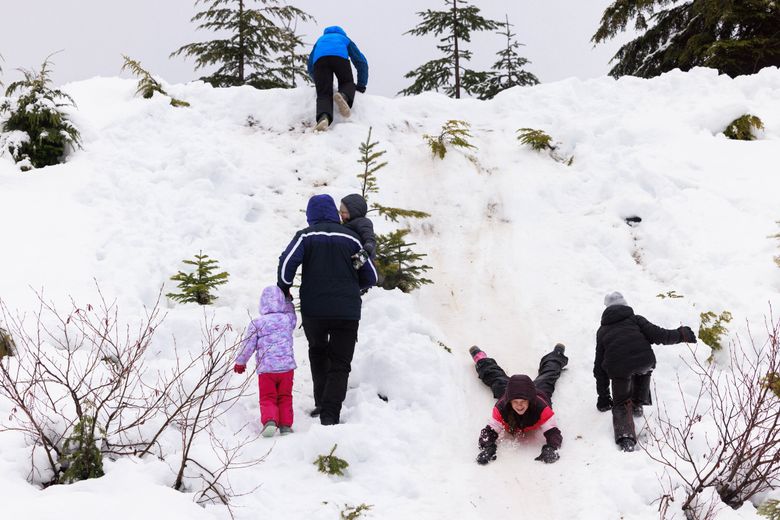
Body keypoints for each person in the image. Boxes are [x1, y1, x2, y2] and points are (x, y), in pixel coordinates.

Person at [277, 194, 377, 425]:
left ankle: (321, 402)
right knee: (341, 362)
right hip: (347, 311)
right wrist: (353, 287)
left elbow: (286, 263)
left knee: (318, 352)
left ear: (310, 216)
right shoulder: (352, 238)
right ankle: (330, 415)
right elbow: (370, 275)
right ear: (334, 212)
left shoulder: (306, 236)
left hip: (315, 310)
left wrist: (285, 289)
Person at [594, 291, 697, 452]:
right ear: (625, 305)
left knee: (620, 403)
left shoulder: (602, 331)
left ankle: (626, 438)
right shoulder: (636, 320)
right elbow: (660, 335)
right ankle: (637, 404)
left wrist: (603, 397)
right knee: (642, 370)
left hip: (619, 369)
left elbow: (599, 368)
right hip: (644, 361)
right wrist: (681, 334)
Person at [469, 343, 569, 465]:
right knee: (496, 377)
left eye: (523, 402)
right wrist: (487, 447)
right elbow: (490, 431)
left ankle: (556, 354)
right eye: (515, 402)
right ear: (509, 401)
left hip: (539, 392)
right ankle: (480, 358)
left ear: (530, 401)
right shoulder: (502, 408)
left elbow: (553, 432)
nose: (519, 406)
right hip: (509, 391)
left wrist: (551, 448)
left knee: (548, 375)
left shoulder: (541, 408)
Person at [234, 285, 297, 438]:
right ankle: (285, 425)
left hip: (267, 370)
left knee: (268, 397)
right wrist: (288, 301)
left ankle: (270, 421)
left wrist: (240, 362)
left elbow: (248, 345)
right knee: (285, 396)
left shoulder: (257, 323)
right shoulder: (287, 319)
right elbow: (293, 315)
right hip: (286, 369)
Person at [307, 26, 369, 131]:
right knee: (347, 82)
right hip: (339, 58)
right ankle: (344, 96)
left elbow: (310, 66)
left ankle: (324, 118)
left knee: (323, 93)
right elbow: (360, 62)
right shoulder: (344, 39)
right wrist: (361, 85)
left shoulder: (320, 40)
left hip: (320, 62)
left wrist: (319, 82)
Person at [339, 193, 376, 269]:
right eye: (340, 211)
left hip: (362, 263)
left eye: (344, 212)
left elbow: (370, 240)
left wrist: (360, 259)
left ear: (354, 212)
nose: (341, 214)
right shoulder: (347, 224)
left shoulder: (363, 222)